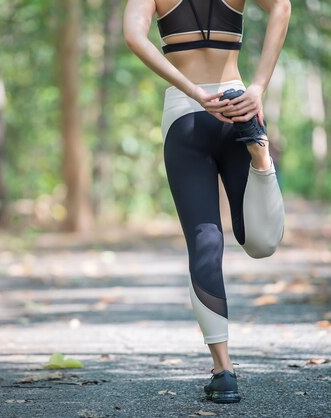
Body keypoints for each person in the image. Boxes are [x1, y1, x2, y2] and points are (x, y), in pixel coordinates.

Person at [123, 0, 291, 403]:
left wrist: (193, 90)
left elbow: (133, 35)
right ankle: (261, 157)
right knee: (260, 243)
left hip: (186, 112)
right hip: (238, 104)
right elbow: (281, 6)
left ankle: (224, 370)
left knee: (205, 242)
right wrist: (258, 87)